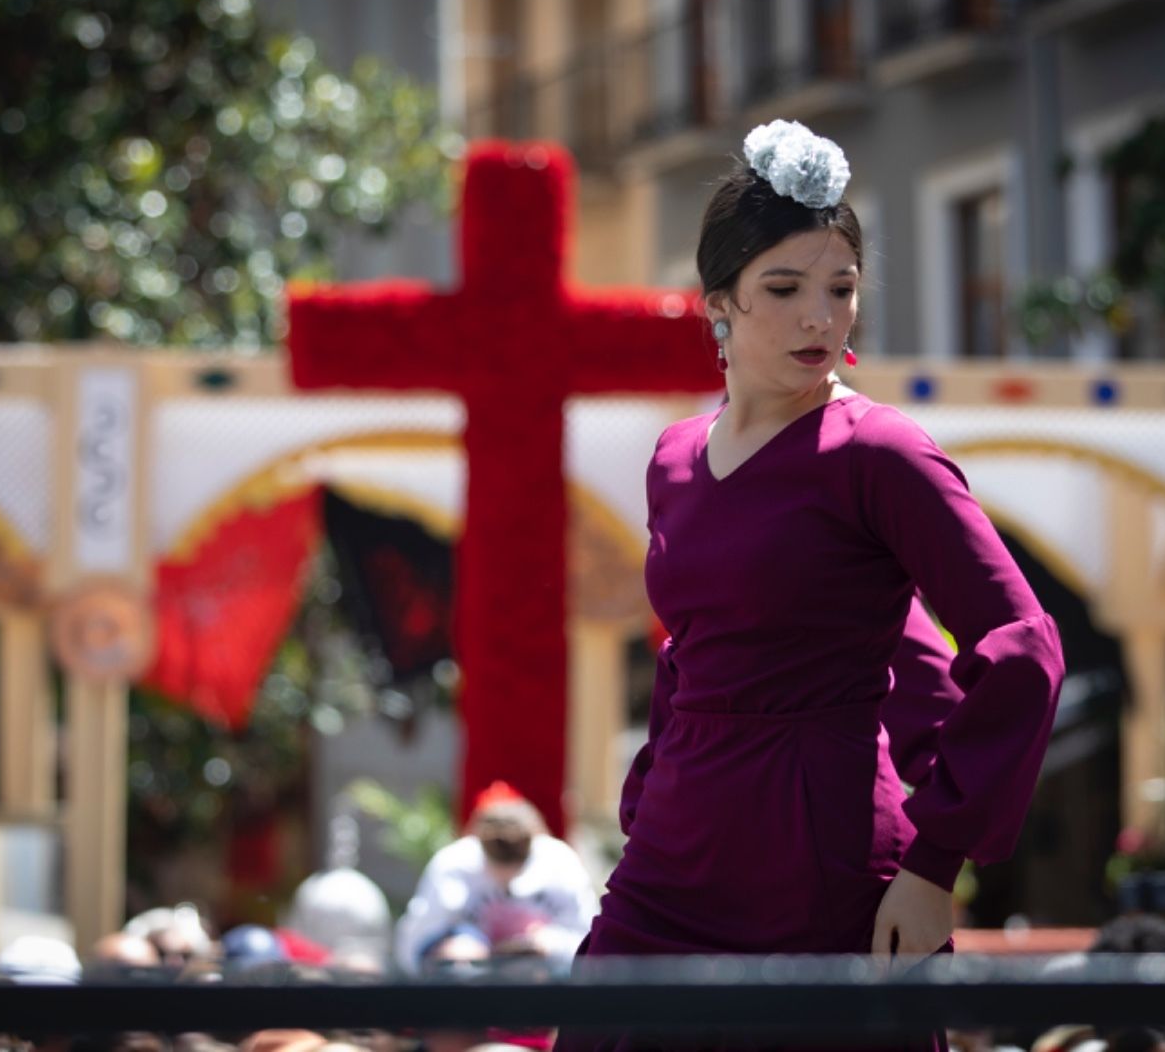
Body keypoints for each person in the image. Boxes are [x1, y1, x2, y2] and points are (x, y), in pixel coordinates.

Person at [556, 120, 1064, 1052]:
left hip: (820, 857)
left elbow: (1022, 643)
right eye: (782, 290)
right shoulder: (672, 456)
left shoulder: (881, 452)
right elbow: (690, 651)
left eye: (841, 289)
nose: (819, 318)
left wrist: (933, 860)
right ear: (718, 305)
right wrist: (649, 797)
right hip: (674, 859)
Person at [394, 781, 597, 978]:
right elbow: (411, 944)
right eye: (497, 861)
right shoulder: (454, 865)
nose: (507, 876)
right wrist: (446, 947)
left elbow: (591, 942)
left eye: (517, 862)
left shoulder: (560, 862)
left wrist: (551, 943)